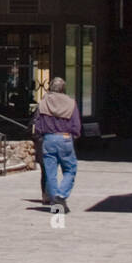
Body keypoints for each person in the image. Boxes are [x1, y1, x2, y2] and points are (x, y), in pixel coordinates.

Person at [32, 76, 81, 212]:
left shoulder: (43, 102)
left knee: (50, 172)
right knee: (70, 169)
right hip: (65, 138)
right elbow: (76, 124)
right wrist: (75, 135)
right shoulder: (71, 103)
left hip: (48, 139)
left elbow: (38, 124)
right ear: (63, 88)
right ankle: (61, 195)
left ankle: (55, 200)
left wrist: (39, 136)